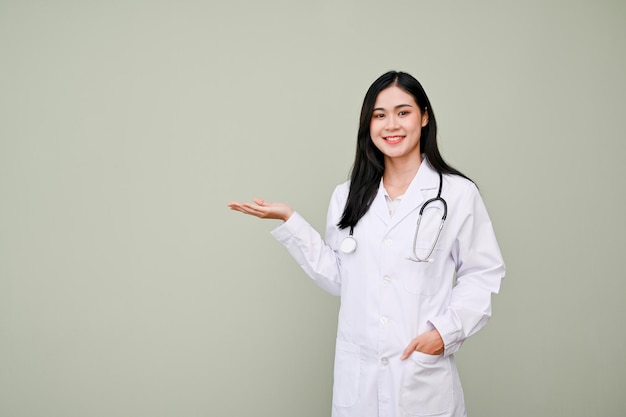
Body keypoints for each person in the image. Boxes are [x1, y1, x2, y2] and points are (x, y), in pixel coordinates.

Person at [228, 71, 505, 417]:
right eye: (379, 115)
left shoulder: (456, 194)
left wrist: (444, 333)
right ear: (368, 124)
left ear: (424, 116)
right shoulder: (347, 196)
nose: (391, 125)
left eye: (403, 112)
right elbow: (340, 278)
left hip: (420, 382)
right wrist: (291, 221)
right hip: (359, 385)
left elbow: (483, 273)